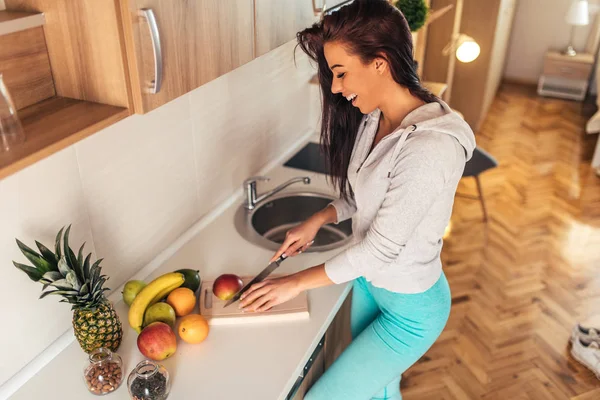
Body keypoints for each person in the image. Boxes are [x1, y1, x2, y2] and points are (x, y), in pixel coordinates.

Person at [238, 0, 476, 398]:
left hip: (411, 311)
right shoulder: (376, 117)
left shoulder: (430, 149)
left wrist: (294, 284)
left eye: (341, 73)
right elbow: (365, 193)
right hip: (370, 284)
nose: (335, 87)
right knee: (380, 391)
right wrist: (320, 217)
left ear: (380, 62)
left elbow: (380, 248)